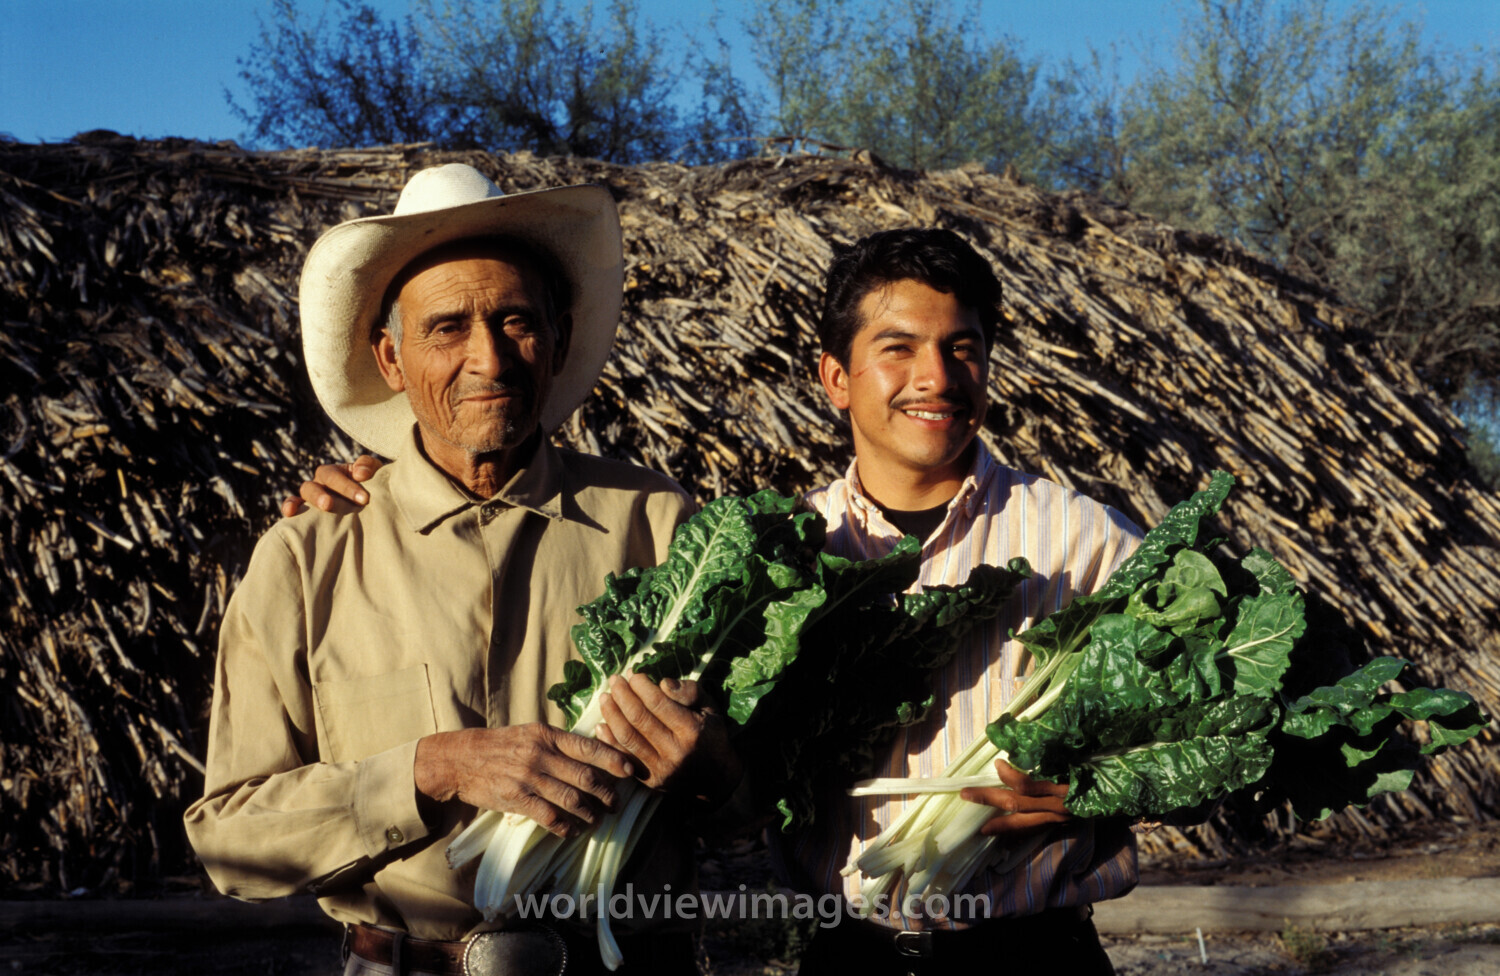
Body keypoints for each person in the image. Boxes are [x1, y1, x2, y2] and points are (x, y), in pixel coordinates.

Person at [289, 226, 1142, 974]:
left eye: (964, 348)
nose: (938, 377)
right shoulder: (793, 550)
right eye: (899, 348)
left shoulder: (1081, 537)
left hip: (1035, 951)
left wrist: (1115, 780)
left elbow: (1234, 721)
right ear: (835, 378)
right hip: (848, 953)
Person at [186, 163, 738, 976]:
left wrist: (710, 764)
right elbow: (232, 840)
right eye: (448, 328)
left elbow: (751, 799)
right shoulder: (309, 555)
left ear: (556, 340)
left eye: (516, 321)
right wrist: (427, 769)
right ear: (393, 357)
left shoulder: (661, 527)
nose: (490, 359)